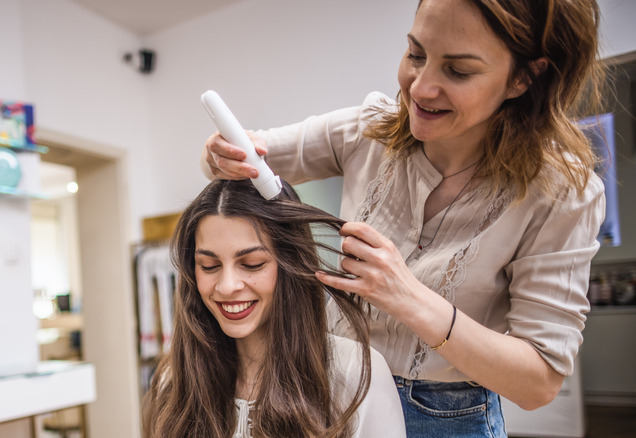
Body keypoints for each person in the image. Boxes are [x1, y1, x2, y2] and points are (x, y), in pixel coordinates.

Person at [201, 0, 606, 436]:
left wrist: (410, 298)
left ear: (527, 76)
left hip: (444, 418)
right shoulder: (366, 131)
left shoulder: (562, 193)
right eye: (415, 54)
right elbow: (240, 156)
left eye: (459, 71)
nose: (421, 87)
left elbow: (539, 382)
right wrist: (221, 155)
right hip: (334, 392)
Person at [141, 178, 406, 437]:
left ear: (289, 264)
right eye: (209, 266)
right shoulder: (172, 379)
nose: (227, 286)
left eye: (253, 263)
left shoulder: (354, 371)